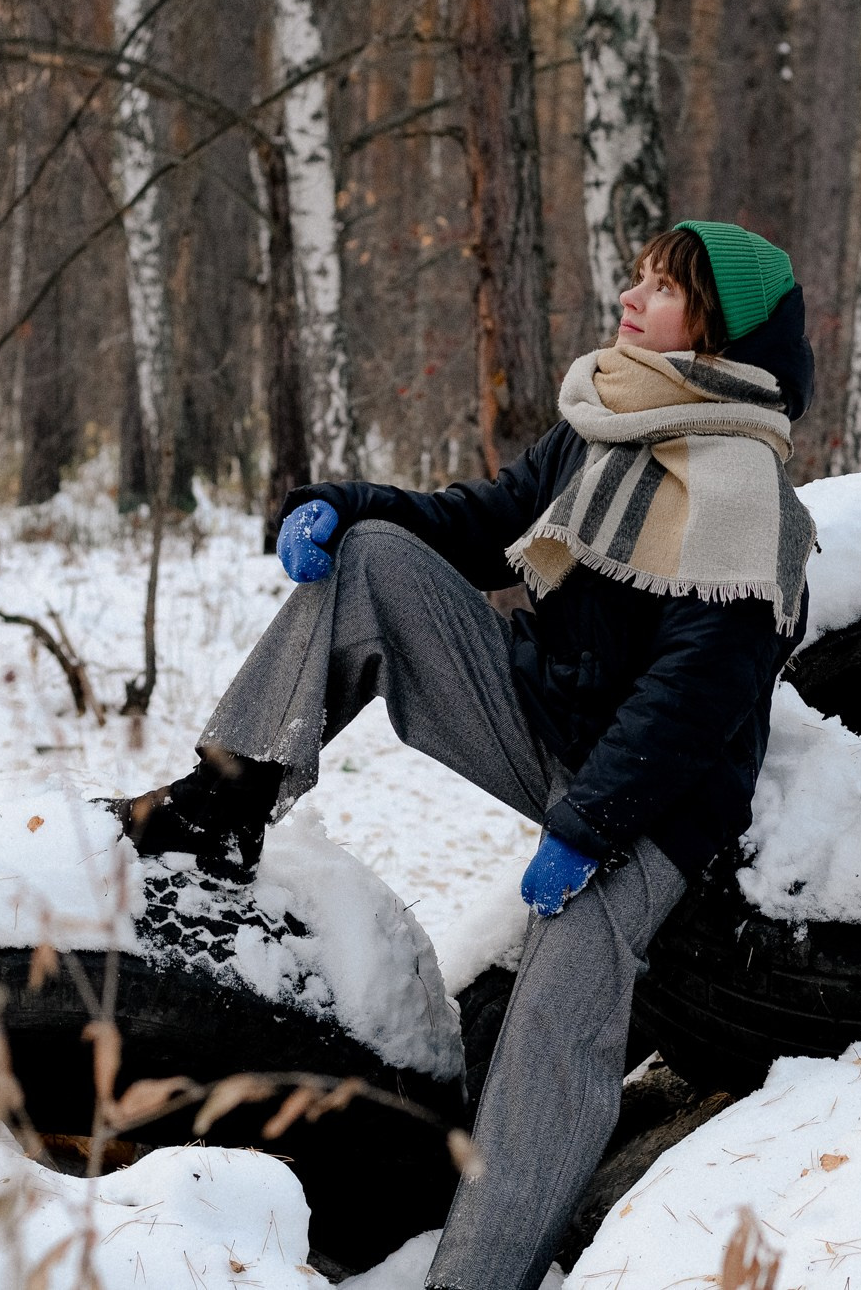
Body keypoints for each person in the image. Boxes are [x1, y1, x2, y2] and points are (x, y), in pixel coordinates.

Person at [110, 220, 817, 1290]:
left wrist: (586, 831)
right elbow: (482, 523)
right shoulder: (602, 422)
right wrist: (344, 508)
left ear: (719, 332)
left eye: (663, 289)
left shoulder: (746, 500)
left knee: (551, 1027)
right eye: (636, 277)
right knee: (381, 561)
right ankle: (223, 801)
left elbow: (693, 702)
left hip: (651, 806)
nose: (631, 298)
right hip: (547, 725)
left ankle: (475, 1276)